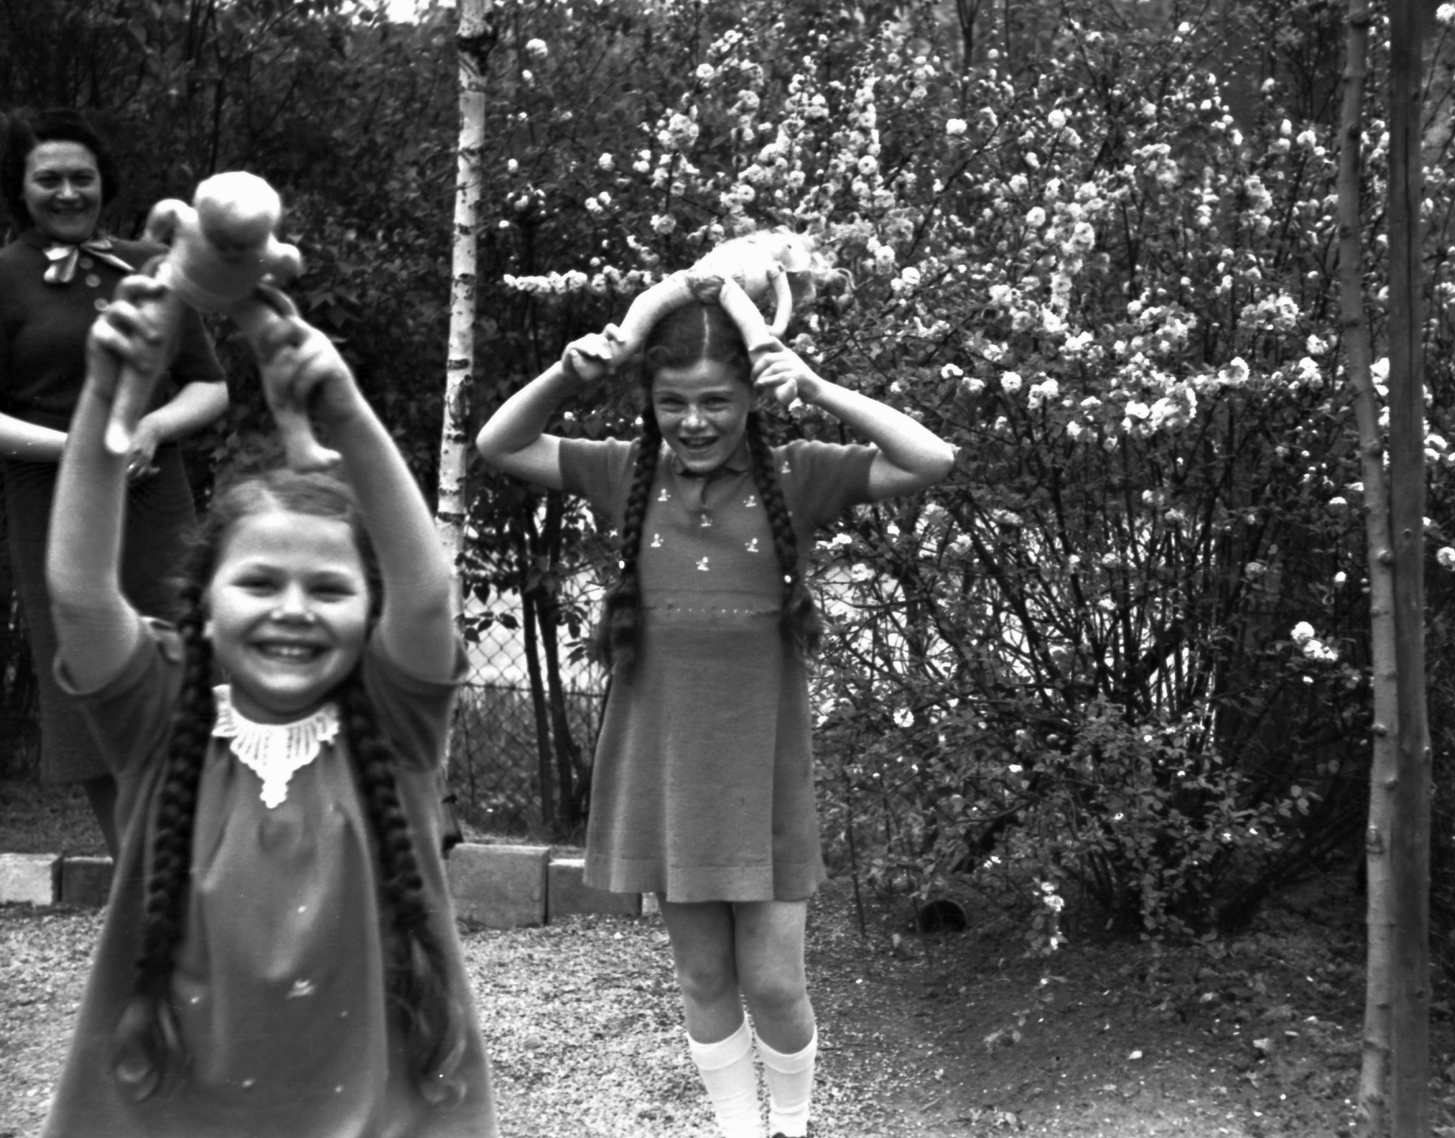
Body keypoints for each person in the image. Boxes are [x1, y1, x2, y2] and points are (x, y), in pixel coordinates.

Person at [476, 296, 955, 1138]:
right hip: (664, 769)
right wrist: (567, 372)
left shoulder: (798, 473)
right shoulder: (623, 470)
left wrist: (817, 385)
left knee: (773, 982)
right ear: (648, 403)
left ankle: (793, 1127)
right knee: (701, 979)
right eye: (672, 402)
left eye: (716, 401)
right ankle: (739, 1130)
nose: (694, 421)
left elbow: (930, 457)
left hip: (761, 772)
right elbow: (500, 443)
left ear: (752, 400)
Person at [38, 275, 498, 1137]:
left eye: (329, 587)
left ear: (371, 611)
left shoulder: (393, 722)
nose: (293, 608)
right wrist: (110, 396)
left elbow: (429, 597)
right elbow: (77, 592)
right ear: (203, 604)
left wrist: (348, 413)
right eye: (258, 582)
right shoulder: (158, 713)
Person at [0, 108, 228, 856]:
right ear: (20, 188)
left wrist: (155, 426)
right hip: (54, 506)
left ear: (105, 184)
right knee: (89, 680)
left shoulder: (153, 268)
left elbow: (208, 387)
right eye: (49, 179)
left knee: (183, 671)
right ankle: (144, 881)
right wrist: (81, 448)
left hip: (155, 500)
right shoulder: (5, 277)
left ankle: (205, 873)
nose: (68, 192)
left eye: (82, 178)